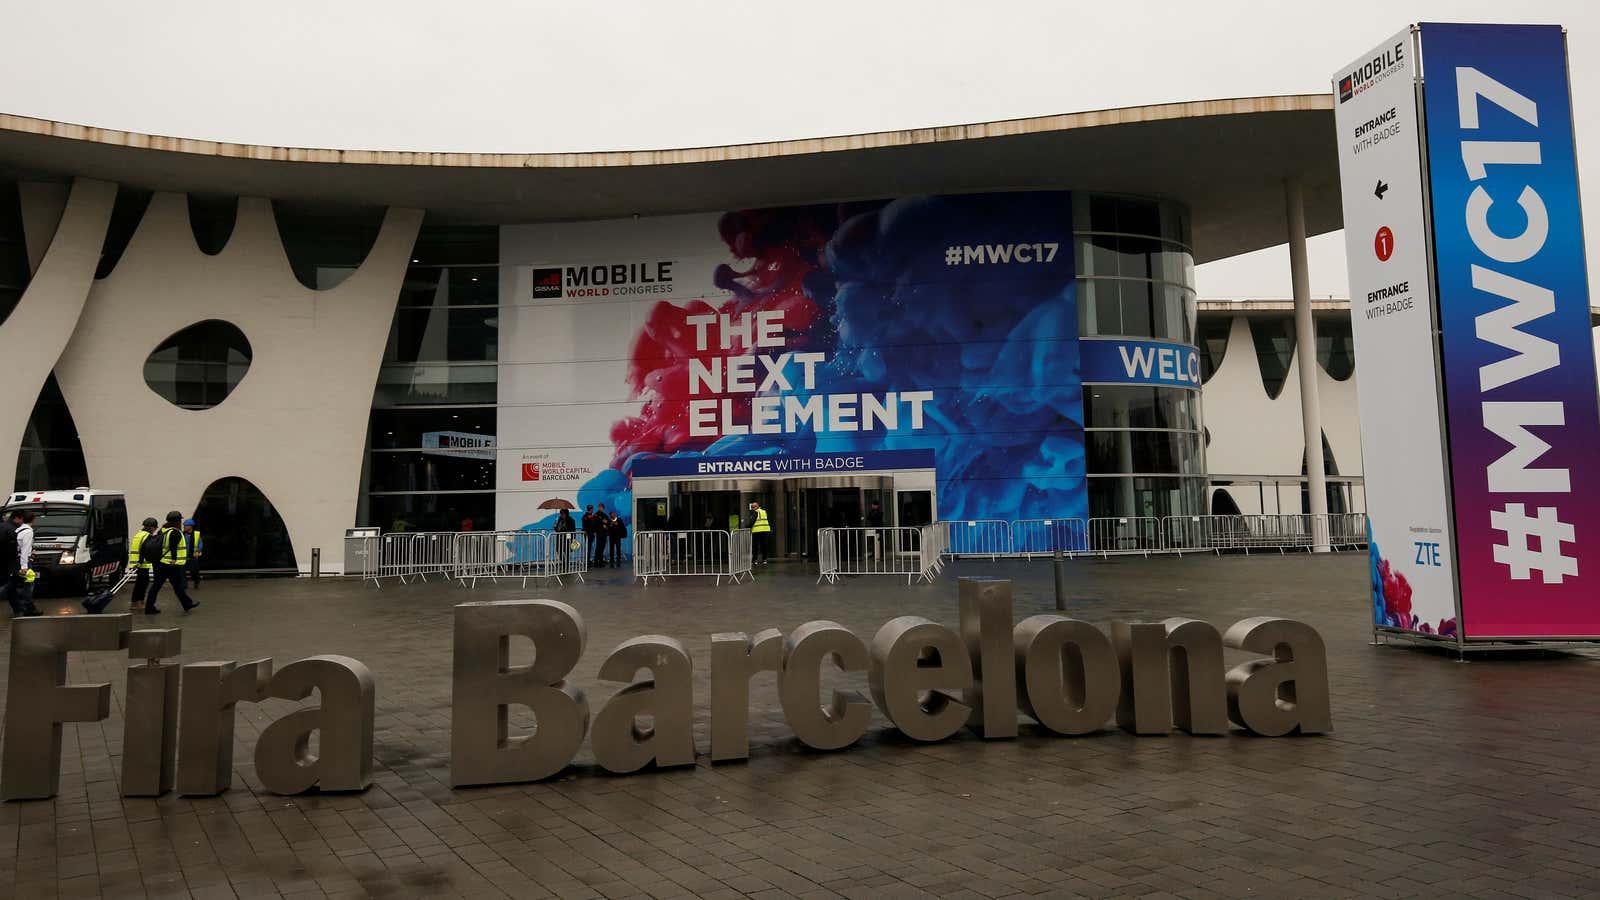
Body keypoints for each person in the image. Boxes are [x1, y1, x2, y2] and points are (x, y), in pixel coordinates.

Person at [144, 510, 198, 614]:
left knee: (163, 585)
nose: (181, 523)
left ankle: (187, 604)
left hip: (163, 564)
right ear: (177, 521)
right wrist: (173, 559)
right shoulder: (175, 532)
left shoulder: (164, 530)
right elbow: (173, 547)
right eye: (179, 520)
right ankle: (186, 604)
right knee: (173, 585)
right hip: (170, 564)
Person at [2, 508, 41, 617]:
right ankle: (27, 606)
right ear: (32, 520)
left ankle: (28, 606)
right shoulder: (28, 532)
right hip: (23, 562)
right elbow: (24, 550)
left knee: (12, 583)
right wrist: (24, 566)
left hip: (15, 561)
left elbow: (18, 547)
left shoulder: (18, 530)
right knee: (29, 582)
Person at [127, 517, 159, 609]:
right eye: (155, 528)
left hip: (136, 563)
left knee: (141, 583)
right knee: (142, 584)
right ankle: (137, 602)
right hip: (141, 564)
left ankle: (138, 602)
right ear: (151, 527)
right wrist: (140, 562)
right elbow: (144, 549)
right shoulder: (147, 536)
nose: (155, 530)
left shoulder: (139, 534)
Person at [746, 500, 771, 565]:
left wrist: (746, 527)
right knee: (764, 546)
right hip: (765, 530)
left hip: (757, 531)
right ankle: (764, 559)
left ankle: (755, 560)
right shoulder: (764, 511)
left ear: (757, 507)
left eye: (753, 507)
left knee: (755, 546)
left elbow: (752, 522)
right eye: (752, 507)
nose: (752, 508)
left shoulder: (755, 512)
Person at [182, 518, 203, 589]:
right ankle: (184, 585)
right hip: (184, 557)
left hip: (193, 556)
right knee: (182, 572)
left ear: (190, 526)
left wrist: (198, 551)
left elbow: (200, 544)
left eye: (185, 526)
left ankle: (196, 581)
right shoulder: (182, 534)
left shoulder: (196, 534)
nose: (184, 527)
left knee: (194, 572)